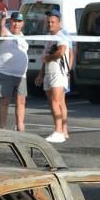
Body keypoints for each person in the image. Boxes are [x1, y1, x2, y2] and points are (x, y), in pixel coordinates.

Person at [34, 9, 71, 143]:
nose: (50, 24)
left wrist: (49, 58)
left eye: (53, 22)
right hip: (49, 72)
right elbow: (44, 59)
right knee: (53, 102)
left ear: (59, 22)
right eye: (48, 22)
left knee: (57, 102)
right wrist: (40, 74)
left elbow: (61, 52)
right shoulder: (49, 38)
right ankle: (60, 130)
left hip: (58, 72)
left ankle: (59, 131)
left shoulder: (61, 35)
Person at [0, 10, 28, 132]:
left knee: (21, 101)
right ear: (10, 22)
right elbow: (0, 29)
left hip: (21, 75)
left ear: (22, 23)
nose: (16, 24)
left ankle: (20, 127)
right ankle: (2, 129)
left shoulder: (22, 36)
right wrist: (2, 18)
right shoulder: (5, 32)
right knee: (5, 101)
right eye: (14, 21)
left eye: (19, 22)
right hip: (5, 72)